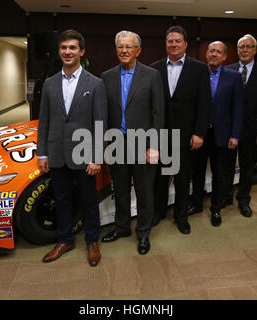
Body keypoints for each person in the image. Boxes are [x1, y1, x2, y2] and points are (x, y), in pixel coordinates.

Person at [37, 30, 108, 266]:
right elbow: (44, 120)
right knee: (61, 199)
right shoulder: (49, 84)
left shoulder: (95, 84)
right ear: (59, 51)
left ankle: (92, 241)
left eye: (73, 48)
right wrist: (43, 153)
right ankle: (65, 240)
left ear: (82, 51)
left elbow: (100, 123)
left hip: (85, 154)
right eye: (64, 47)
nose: (68, 52)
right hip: (56, 153)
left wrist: (96, 156)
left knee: (89, 201)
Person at [100, 30, 165, 254]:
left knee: (145, 191)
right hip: (117, 143)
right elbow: (104, 113)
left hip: (143, 144)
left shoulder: (152, 75)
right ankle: (122, 227)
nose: (124, 51)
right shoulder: (106, 76)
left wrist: (154, 146)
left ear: (138, 50)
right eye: (120, 46)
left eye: (129, 47)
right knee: (120, 189)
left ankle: (144, 233)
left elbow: (158, 113)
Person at [150, 26, 211, 234]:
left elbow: (204, 104)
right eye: (170, 41)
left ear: (185, 44)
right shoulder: (154, 69)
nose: (173, 45)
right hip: (161, 136)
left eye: (177, 41)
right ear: (165, 44)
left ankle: (181, 216)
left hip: (186, 137)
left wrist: (199, 132)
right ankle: (158, 213)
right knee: (160, 180)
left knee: (183, 180)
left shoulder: (200, 68)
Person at [191, 41, 244, 227]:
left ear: (224, 57)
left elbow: (238, 108)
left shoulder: (234, 77)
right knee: (197, 172)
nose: (214, 54)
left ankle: (216, 208)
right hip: (199, 134)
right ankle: (196, 204)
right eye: (211, 51)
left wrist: (235, 135)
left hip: (222, 134)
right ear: (206, 54)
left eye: (218, 52)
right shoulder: (197, 73)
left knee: (219, 174)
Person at [224, 34, 257, 217]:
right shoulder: (227, 70)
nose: (244, 50)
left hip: (252, 131)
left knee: (246, 168)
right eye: (241, 47)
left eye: (248, 47)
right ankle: (226, 196)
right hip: (229, 130)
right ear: (237, 50)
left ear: (255, 50)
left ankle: (243, 200)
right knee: (227, 166)